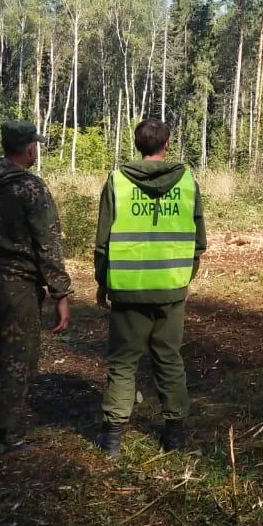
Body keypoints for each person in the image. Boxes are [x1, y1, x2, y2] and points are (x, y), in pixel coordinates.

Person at [93, 119, 207, 458]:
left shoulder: (117, 181)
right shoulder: (187, 181)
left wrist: (103, 282)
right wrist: (184, 278)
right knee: (169, 358)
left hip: (128, 289)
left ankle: (112, 441)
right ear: (166, 144)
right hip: (171, 287)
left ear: (137, 143)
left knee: (123, 363)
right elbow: (199, 240)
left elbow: (103, 242)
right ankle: (174, 435)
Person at [0, 120, 72, 454]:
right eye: (35, 145)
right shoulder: (31, 188)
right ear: (29, 148)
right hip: (18, 286)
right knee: (16, 359)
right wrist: (60, 292)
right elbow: (47, 243)